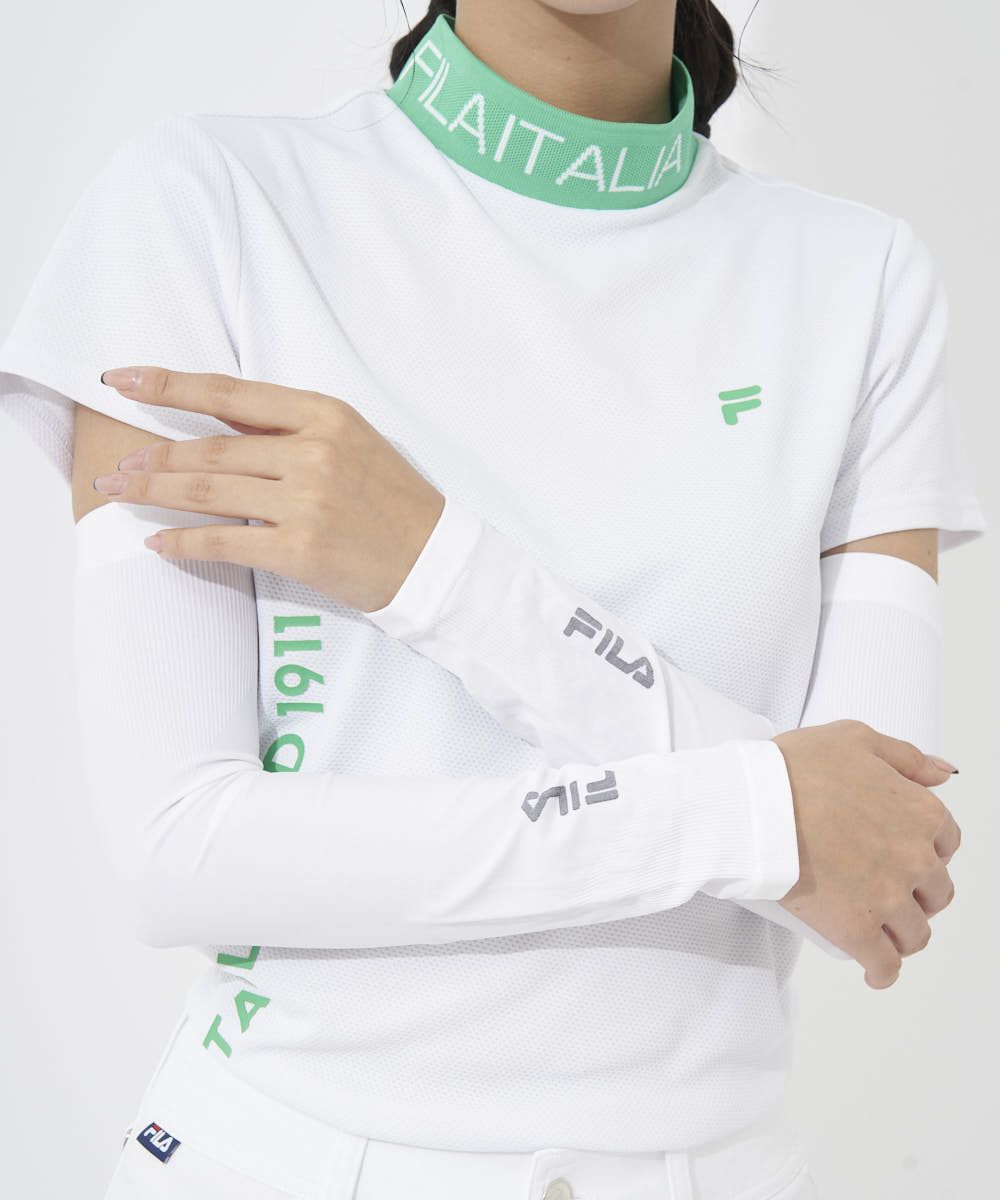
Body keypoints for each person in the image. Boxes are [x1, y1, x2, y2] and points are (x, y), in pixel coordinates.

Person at [0, 1, 987, 1197]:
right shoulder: (209, 206)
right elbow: (182, 854)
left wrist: (441, 572)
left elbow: (874, 865)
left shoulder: (859, 281)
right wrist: (753, 811)